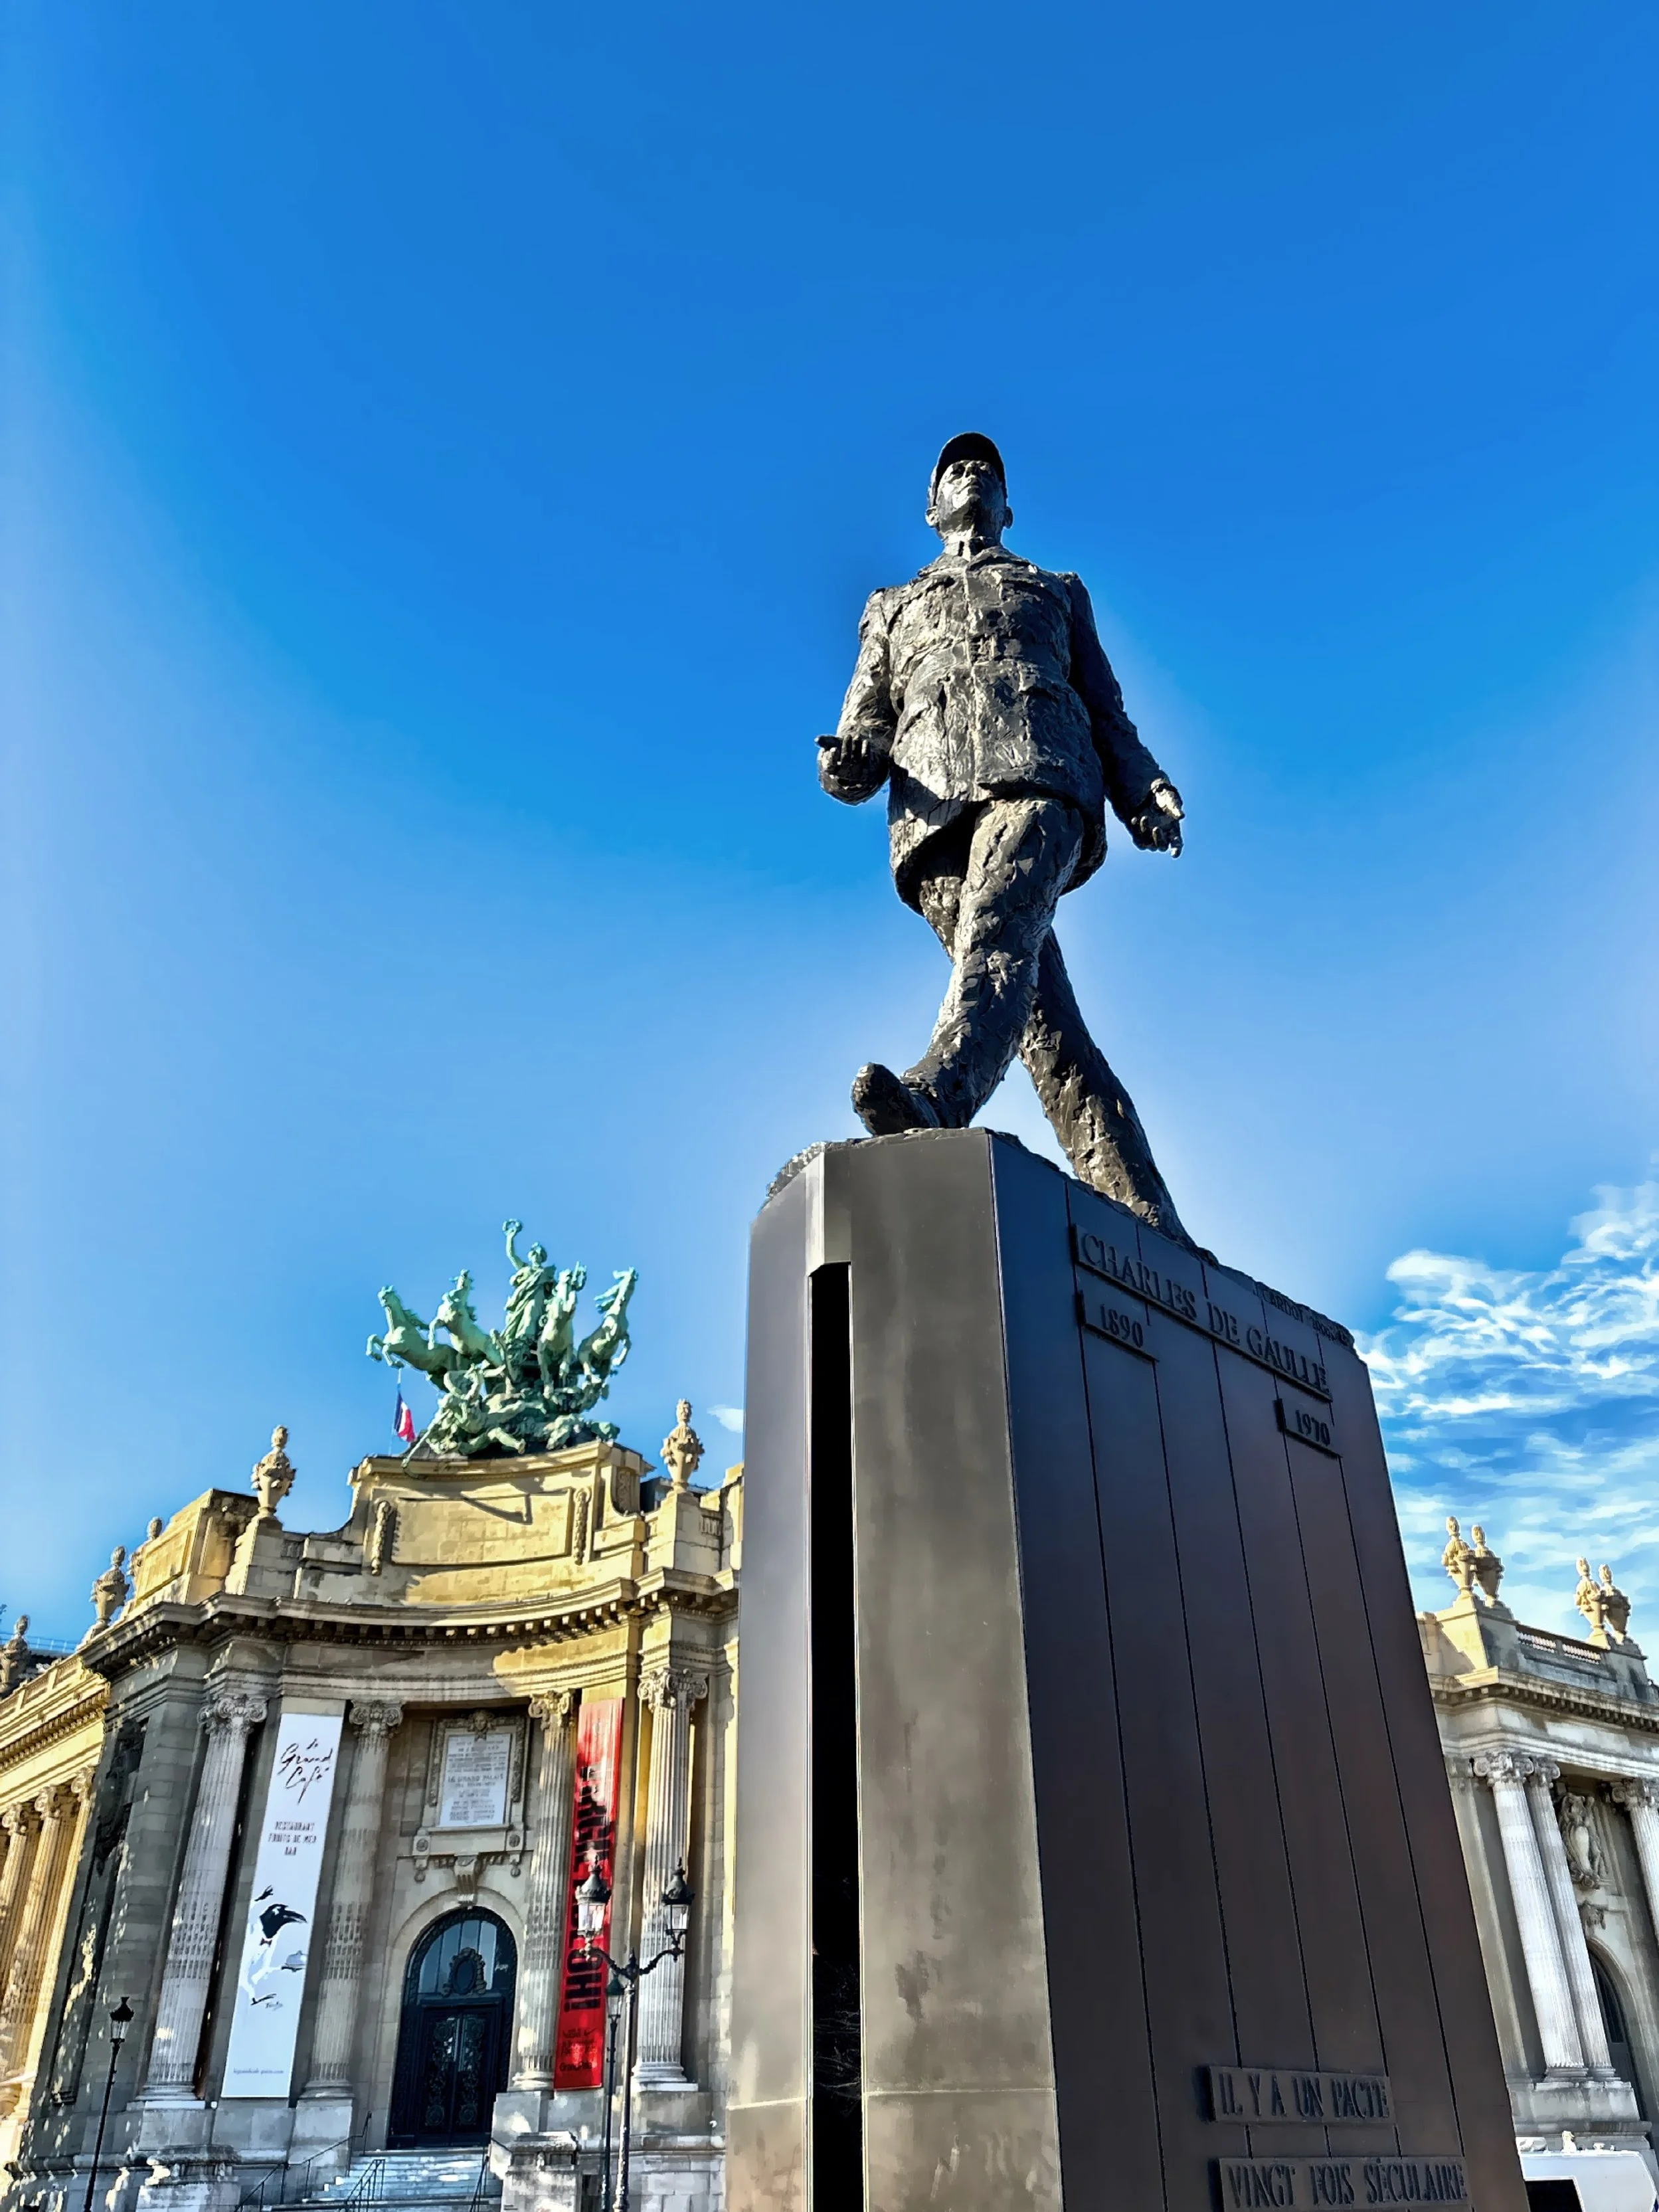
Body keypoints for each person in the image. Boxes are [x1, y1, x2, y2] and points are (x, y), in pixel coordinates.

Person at [818, 433, 1187, 1235]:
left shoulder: (1055, 590)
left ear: (1008, 504)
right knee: (1043, 1028)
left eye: (984, 467)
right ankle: (1144, 1209)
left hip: (1041, 777)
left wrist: (1144, 790)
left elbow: (1106, 713)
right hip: (932, 818)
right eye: (953, 468)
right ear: (930, 507)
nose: (970, 472)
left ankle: (936, 1093)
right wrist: (846, 765)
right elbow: (863, 733)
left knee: (994, 940)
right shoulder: (889, 607)